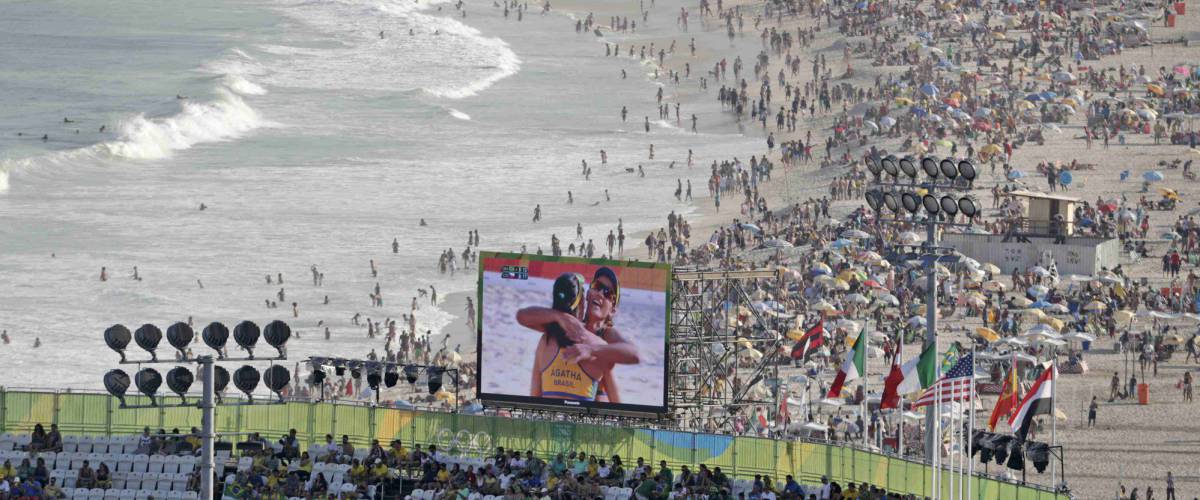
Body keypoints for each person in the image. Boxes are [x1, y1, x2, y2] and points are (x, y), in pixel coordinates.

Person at [516, 269, 640, 402]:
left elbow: (634, 354)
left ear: (612, 310)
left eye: (608, 293)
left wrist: (591, 350)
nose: (600, 293)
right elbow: (522, 317)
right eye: (597, 287)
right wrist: (558, 316)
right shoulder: (568, 325)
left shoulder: (607, 334)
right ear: (587, 294)